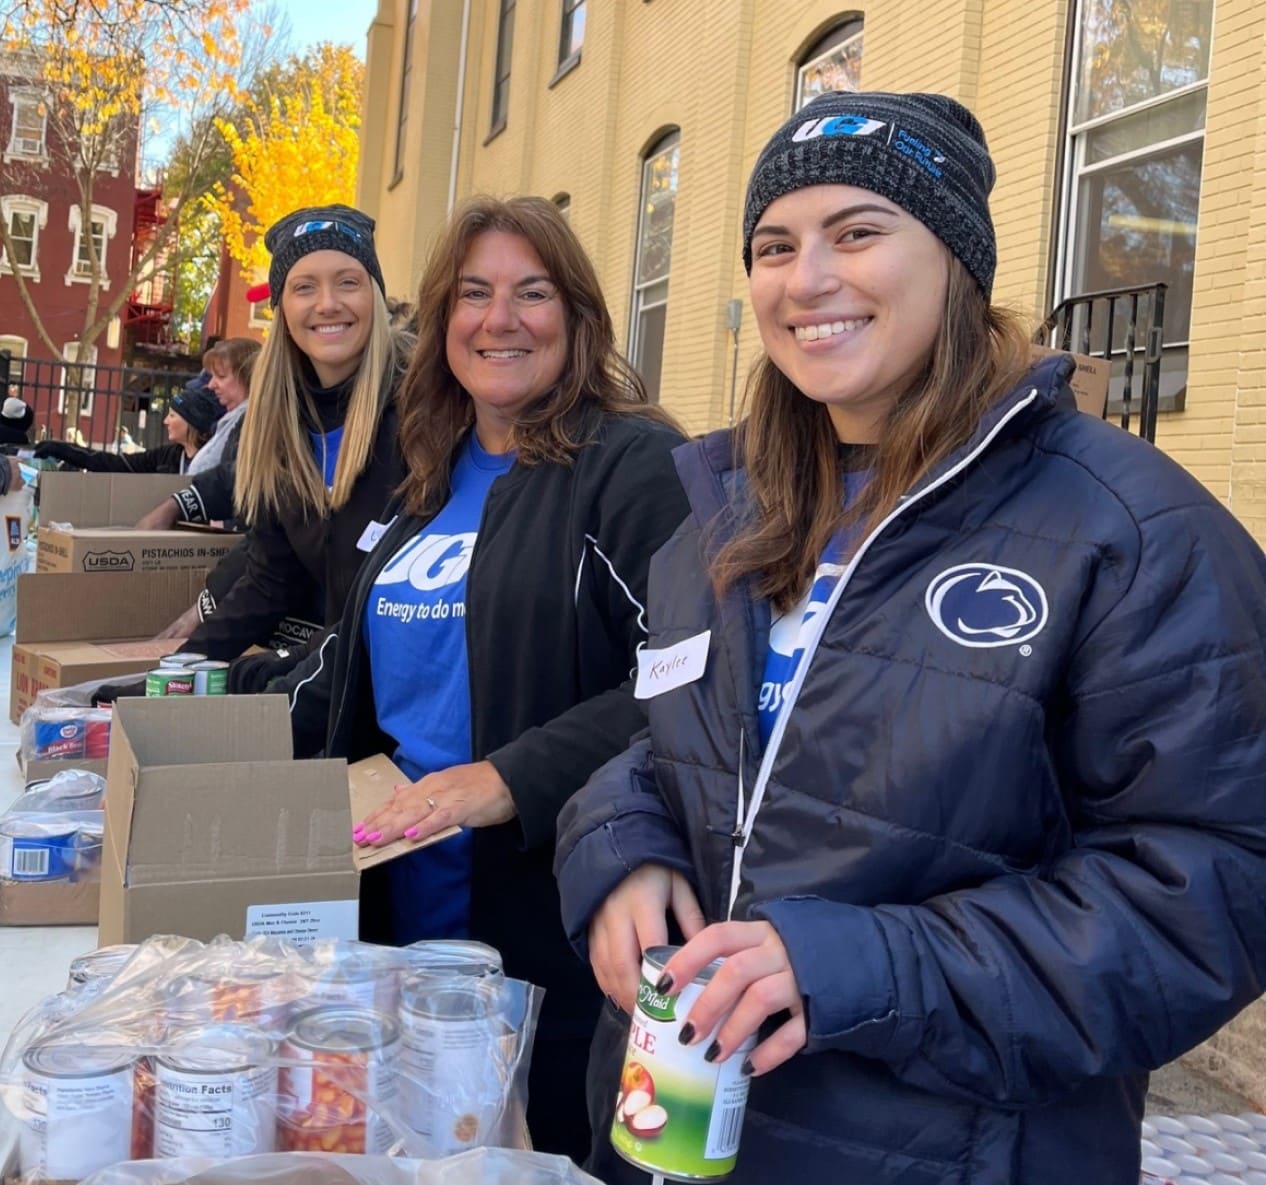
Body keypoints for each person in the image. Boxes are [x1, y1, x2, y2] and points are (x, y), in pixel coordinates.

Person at [555, 90, 1266, 1184]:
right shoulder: (729, 511)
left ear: (955, 262)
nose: (808, 279)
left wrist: (864, 964)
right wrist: (617, 850)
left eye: (859, 233)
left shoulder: (1127, 531)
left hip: (954, 1150)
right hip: (676, 1130)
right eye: (775, 245)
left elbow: (1211, 887)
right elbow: (683, 752)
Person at [284, 195, 690, 1163]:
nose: (499, 318)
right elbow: (354, 666)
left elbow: (688, 682)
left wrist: (508, 778)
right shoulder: (428, 473)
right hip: (397, 920)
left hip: (546, 936)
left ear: (579, 317)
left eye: (531, 292)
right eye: (473, 294)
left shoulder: (633, 467)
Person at [141, 205, 409, 662]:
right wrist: (172, 673)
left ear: (375, 296)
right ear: (282, 308)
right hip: (333, 678)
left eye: (348, 281)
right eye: (304, 287)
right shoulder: (280, 425)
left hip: (398, 689)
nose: (328, 303)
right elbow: (269, 579)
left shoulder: (424, 407)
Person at [33, 375, 224, 474]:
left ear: (191, 422)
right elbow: (114, 464)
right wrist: (64, 450)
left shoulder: (216, 459)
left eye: (172, 415)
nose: (165, 421)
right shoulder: (168, 455)